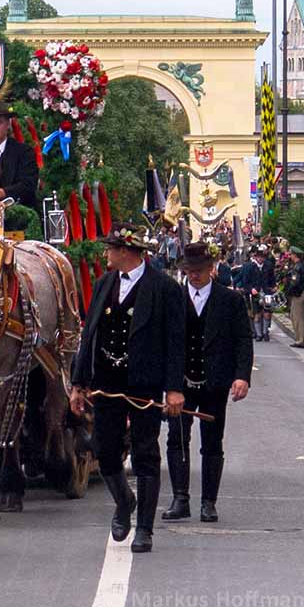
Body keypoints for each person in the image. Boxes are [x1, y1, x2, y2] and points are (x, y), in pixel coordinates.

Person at [70, 223, 185, 553]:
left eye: (110, 248)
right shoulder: (105, 283)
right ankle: (124, 502)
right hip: (106, 384)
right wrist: (79, 384)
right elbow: (89, 336)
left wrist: (174, 389)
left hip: (144, 383)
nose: (105, 254)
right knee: (105, 451)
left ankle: (145, 530)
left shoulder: (163, 288)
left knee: (145, 452)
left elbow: (176, 344)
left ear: (125, 252)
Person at [162, 243, 253, 524]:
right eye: (189, 271)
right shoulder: (174, 299)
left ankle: (209, 502)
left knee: (212, 442)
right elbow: (165, 344)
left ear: (211, 269)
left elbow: (242, 340)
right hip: (181, 382)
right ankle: (180, 498)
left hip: (215, 381)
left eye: (199, 271)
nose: (194, 276)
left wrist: (242, 376)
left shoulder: (230, 300)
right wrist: (168, 384)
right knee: (177, 439)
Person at [240, 247, 275, 341]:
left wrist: (273, 286)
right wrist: (251, 289)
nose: (260, 259)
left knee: (267, 313)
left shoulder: (268, 265)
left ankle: (265, 332)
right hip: (256, 293)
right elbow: (245, 282)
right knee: (257, 314)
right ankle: (259, 334)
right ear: (255, 257)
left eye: (262, 257)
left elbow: (272, 278)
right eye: (258, 257)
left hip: (267, 292)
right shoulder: (250, 267)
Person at [286, 246, 304, 348]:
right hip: (301, 292)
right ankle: (300, 339)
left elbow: (295, 282)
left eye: (291, 254)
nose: (290, 256)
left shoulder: (298, 267)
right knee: (294, 315)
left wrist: (289, 290)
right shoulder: (303, 266)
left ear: (295, 255)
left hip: (298, 293)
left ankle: (300, 340)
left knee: (297, 317)